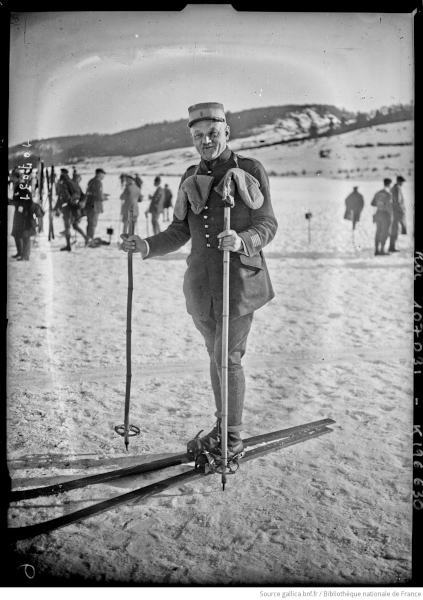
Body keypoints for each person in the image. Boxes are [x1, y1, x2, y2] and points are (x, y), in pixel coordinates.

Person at [121, 101, 278, 460]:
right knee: (215, 355)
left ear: (227, 132)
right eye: (198, 136)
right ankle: (223, 426)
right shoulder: (190, 176)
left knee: (228, 358)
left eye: (212, 134)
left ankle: (232, 437)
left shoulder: (250, 169)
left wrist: (241, 240)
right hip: (201, 286)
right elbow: (179, 231)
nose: (206, 141)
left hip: (238, 284)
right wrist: (146, 245)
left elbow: (268, 223)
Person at [9, 171, 43, 260]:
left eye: (13, 177)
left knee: (25, 235)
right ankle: (20, 252)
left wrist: (14, 203)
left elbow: (27, 201)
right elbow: (17, 200)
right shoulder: (17, 187)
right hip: (19, 214)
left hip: (25, 215)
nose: (11, 179)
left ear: (18, 178)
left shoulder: (23, 188)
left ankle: (25, 255)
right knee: (17, 234)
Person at [54, 168, 87, 251]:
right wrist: (80, 204)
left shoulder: (64, 184)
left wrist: (59, 207)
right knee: (75, 225)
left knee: (67, 226)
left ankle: (68, 246)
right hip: (77, 209)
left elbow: (65, 197)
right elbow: (83, 196)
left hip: (68, 209)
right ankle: (86, 238)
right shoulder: (75, 183)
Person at [85, 168, 107, 247]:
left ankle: (88, 239)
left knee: (90, 223)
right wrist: (104, 197)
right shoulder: (98, 183)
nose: (104, 176)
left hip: (89, 204)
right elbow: (99, 195)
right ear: (98, 174)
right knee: (93, 223)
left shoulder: (91, 181)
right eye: (103, 174)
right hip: (95, 205)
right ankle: (90, 241)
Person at [371, 178, 393, 256]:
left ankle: (376, 250)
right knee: (385, 232)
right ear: (389, 184)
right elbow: (389, 207)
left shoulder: (378, 193)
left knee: (378, 231)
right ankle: (382, 250)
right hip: (386, 215)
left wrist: (379, 203)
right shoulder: (389, 194)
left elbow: (372, 203)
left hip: (378, 214)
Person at [388, 176, 407, 252]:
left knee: (394, 229)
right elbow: (398, 201)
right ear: (399, 181)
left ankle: (392, 246)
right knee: (395, 229)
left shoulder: (394, 188)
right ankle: (392, 247)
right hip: (397, 212)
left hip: (394, 211)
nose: (402, 183)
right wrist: (401, 211)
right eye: (402, 182)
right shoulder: (397, 188)